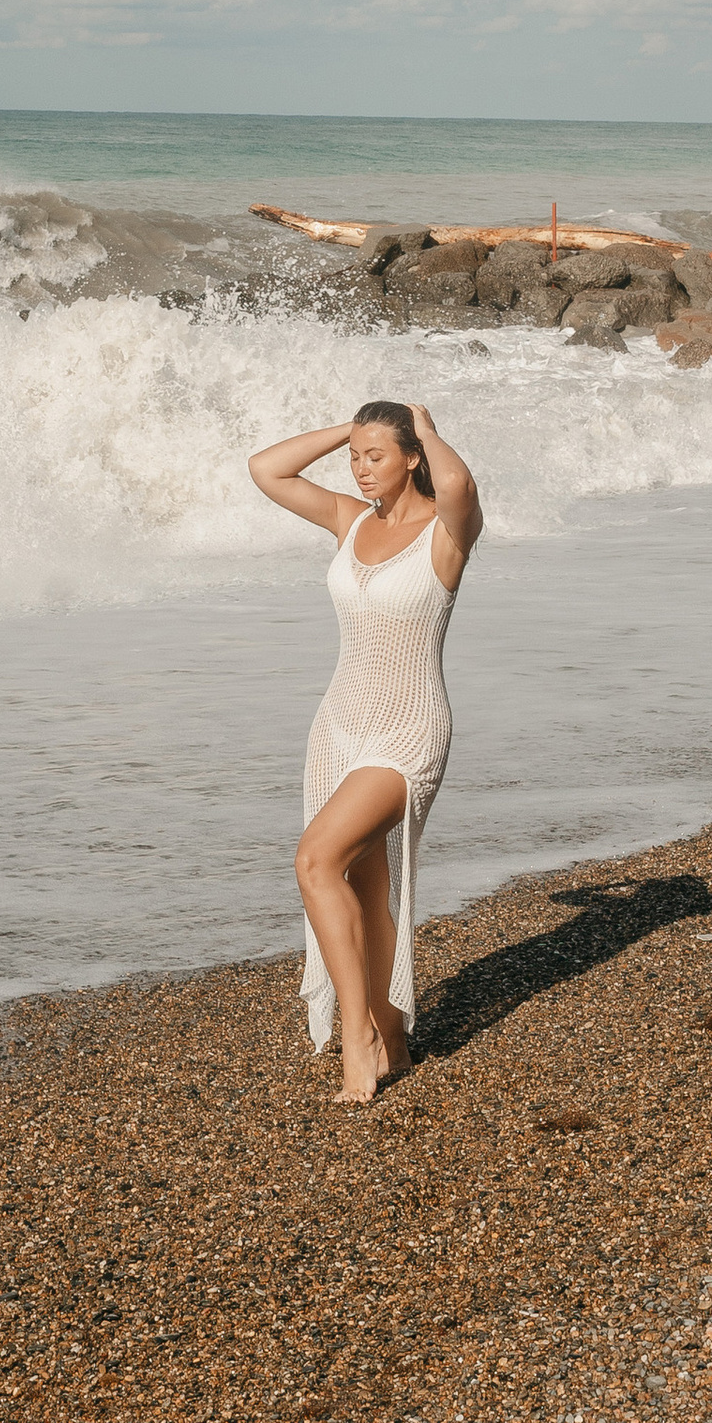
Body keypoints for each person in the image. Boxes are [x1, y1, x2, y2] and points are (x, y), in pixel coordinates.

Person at [244, 397, 482, 1103]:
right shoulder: (350, 522)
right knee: (362, 883)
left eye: (376, 455)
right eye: (355, 456)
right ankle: (394, 1038)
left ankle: (360, 1040)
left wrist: (429, 428)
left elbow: (461, 486)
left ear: (413, 457)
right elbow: (267, 469)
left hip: (407, 730)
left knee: (314, 861)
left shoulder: (446, 532)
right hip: (338, 727)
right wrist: (349, 429)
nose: (360, 468)